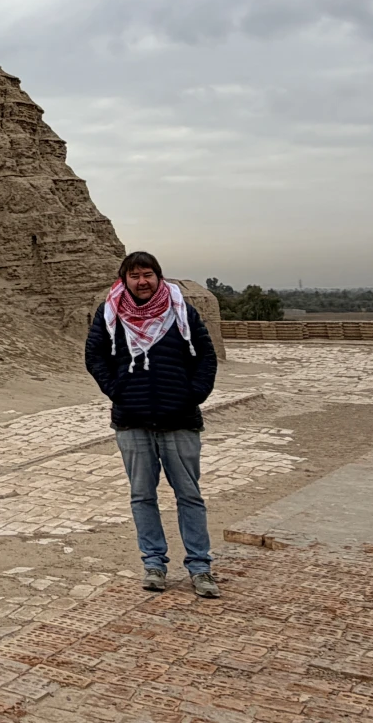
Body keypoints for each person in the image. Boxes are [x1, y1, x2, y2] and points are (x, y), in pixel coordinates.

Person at [85, 251, 221, 598]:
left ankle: (200, 567)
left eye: (147, 274)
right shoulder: (111, 313)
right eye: (134, 276)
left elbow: (206, 355)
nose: (142, 281)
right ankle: (154, 564)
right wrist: (117, 390)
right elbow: (95, 355)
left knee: (189, 495)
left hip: (180, 418)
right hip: (132, 420)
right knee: (142, 495)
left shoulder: (180, 310)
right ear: (124, 280)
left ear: (158, 277)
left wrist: (194, 394)